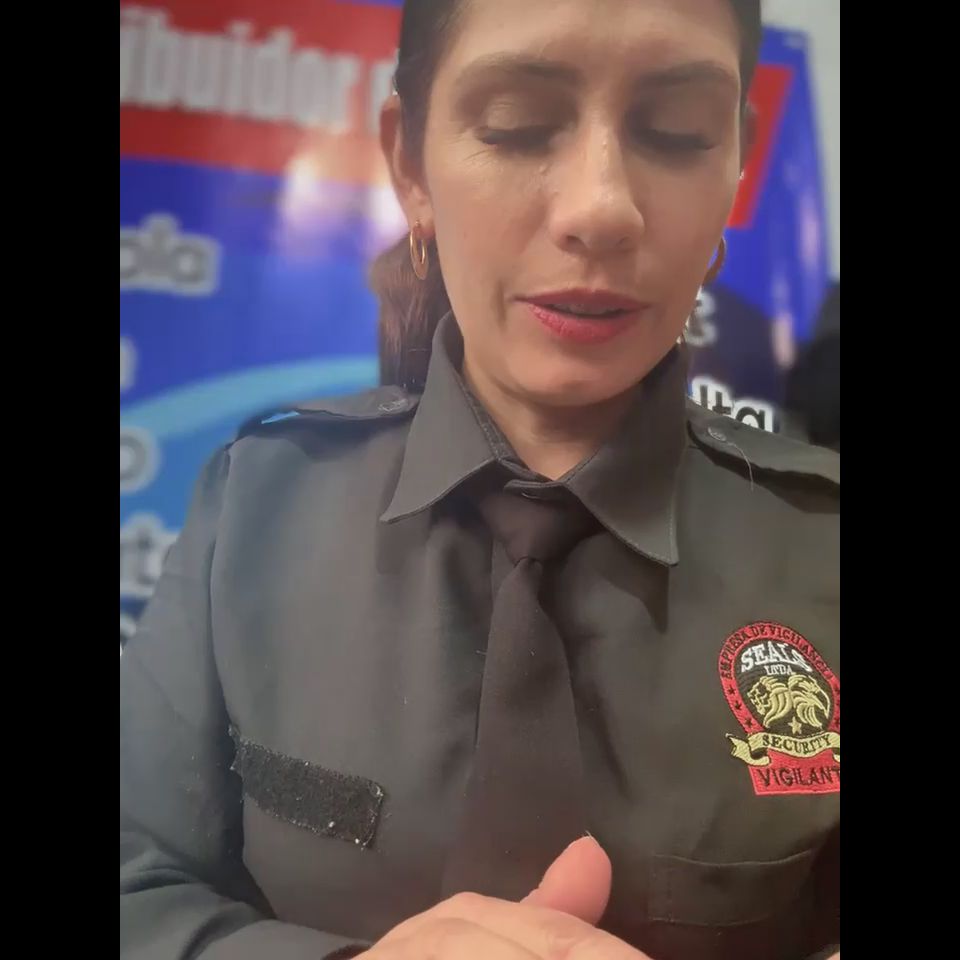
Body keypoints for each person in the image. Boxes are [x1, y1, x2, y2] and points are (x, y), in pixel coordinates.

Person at [120, 1, 840, 958]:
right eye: (516, 126)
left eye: (676, 133)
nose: (601, 209)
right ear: (410, 166)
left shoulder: (821, 545)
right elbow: (138, 883)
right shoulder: (257, 506)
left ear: (737, 166)